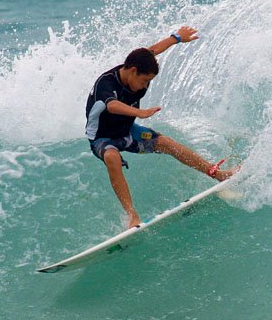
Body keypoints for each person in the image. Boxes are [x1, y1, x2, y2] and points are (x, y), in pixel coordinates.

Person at [85, 26, 237, 228]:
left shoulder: (138, 64)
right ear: (132, 71)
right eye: (145, 80)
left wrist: (176, 38)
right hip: (102, 138)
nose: (146, 85)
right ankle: (132, 216)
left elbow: (152, 51)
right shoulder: (106, 83)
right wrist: (140, 113)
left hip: (127, 132)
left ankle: (218, 174)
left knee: (165, 142)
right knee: (112, 157)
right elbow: (111, 105)